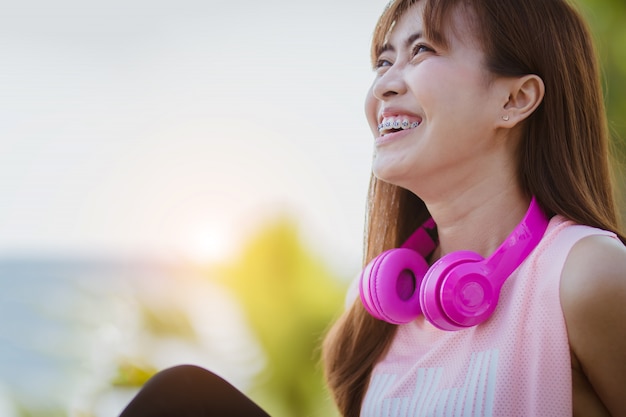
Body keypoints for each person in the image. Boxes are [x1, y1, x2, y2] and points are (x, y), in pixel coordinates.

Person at [321, 0, 626, 416]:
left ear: (515, 99)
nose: (382, 86)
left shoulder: (589, 275)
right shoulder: (373, 303)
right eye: (383, 61)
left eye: (421, 51)